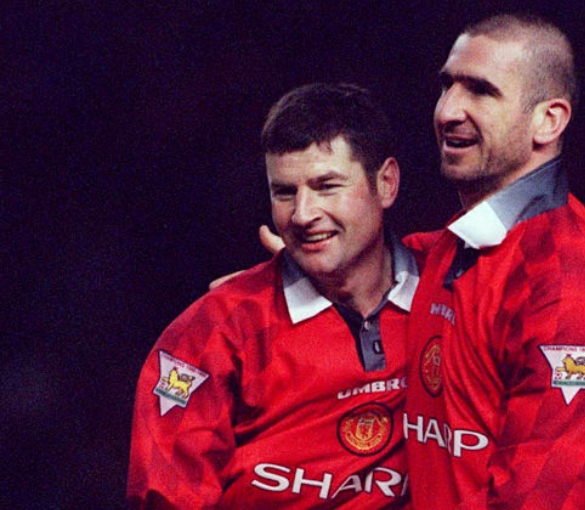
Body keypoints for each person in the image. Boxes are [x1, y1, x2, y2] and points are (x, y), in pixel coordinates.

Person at [401, 12, 585, 509]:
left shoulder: (570, 284)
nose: (448, 111)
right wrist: (295, 268)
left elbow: (540, 499)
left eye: (480, 91)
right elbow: (371, 270)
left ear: (549, 120)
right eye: (447, 86)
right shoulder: (452, 250)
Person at [128, 83, 417, 509]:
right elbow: (166, 496)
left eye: (326, 186)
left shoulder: (451, 294)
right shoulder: (212, 332)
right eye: (284, 192)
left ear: (386, 183)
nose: (302, 215)